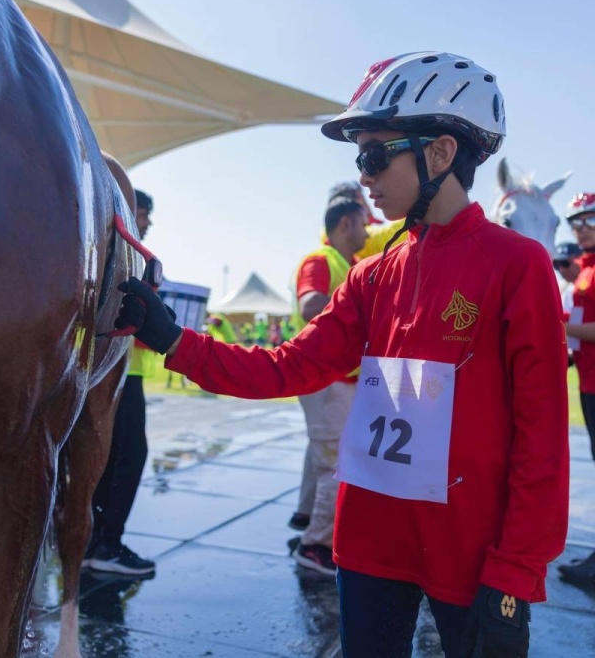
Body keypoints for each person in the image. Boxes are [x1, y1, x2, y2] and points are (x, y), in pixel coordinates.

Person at [115, 52, 569, 658]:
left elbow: (542, 435)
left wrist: (517, 571)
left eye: (375, 153)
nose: (364, 175)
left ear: (438, 153)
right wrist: (175, 340)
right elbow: (289, 367)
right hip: (370, 545)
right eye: (360, 157)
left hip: (471, 551)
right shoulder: (371, 276)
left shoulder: (518, 265)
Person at [288, 197, 368, 574]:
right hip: (325, 376)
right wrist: (358, 324)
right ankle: (316, 544)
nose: (368, 232)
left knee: (321, 452)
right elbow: (310, 305)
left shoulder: (347, 264)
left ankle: (305, 517)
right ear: (347, 223)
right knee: (335, 462)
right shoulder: (321, 261)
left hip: (335, 376)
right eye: (364, 224)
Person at [87, 189, 156, 576]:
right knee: (128, 455)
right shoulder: (124, 256)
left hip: (125, 370)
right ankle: (106, 544)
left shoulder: (118, 252)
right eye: (143, 213)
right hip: (118, 371)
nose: (146, 222)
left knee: (108, 456)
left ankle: (93, 541)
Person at [558, 194, 595, 587]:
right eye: (576, 222)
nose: (582, 229)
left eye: (589, 220)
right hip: (588, 380)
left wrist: (555, 322)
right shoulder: (584, 267)